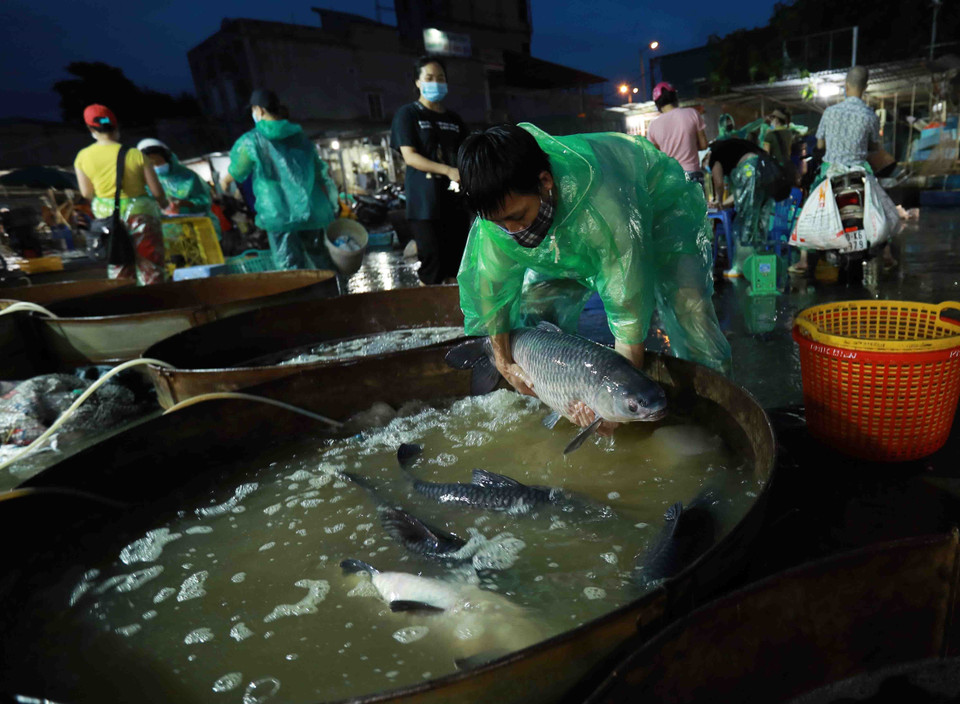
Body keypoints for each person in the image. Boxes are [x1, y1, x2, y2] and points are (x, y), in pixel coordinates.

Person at [456, 124, 731, 437]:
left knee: (690, 309)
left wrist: (613, 407)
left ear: (545, 182)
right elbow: (492, 295)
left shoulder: (607, 205)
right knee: (537, 308)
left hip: (656, 216)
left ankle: (717, 423)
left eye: (518, 216)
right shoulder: (498, 217)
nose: (512, 230)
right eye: (500, 223)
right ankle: (553, 403)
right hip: (569, 234)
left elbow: (627, 302)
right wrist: (505, 364)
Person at [791, 66, 897, 274]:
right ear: (865, 87)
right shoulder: (870, 115)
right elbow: (875, 147)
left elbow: (820, 146)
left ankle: (804, 258)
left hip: (831, 172)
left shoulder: (830, 113)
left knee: (809, 209)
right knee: (882, 208)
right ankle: (887, 254)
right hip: (860, 172)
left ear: (846, 86)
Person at [220, 89, 339, 270]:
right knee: (320, 260)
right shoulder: (299, 137)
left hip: (279, 213)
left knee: (289, 265)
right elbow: (318, 172)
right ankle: (332, 294)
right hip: (309, 211)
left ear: (259, 110)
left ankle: (302, 297)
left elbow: (238, 170)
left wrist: (225, 181)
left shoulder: (253, 140)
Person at [391, 56, 471, 285]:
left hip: (454, 203)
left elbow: (466, 152)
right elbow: (410, 156)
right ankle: (431, 311)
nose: (435, 82)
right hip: (425, 203)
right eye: (429, 78)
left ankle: (457, 312)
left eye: (440, 78)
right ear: (418, 82)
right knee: (432, 261)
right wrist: (447, 170)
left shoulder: (454, 119)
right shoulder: (408, 115)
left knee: (458, 262)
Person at [74, 104, 168, 285]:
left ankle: (127, 305)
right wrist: (163, 204)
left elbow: (86, 192)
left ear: (90, 128)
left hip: (107, 219)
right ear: (116, 126)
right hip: (141, 215)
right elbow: (157, 192)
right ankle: (157, 306)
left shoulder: (83, 157)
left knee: (119, 266)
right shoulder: (135, 154)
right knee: (151, 266)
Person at [707, 137, 775, 278]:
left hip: (750, 170)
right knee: (760, 221)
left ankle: (742, 266)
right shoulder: (737, 149)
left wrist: (719, 200)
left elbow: (718, 183)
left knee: (745, 220)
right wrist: (724, 204)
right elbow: (742, 193)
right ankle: (760, 266)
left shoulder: (715, 155)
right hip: (768, 170)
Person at [137, 138, 222, 239]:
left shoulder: (188, 177)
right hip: (165, 235)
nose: (156, 166)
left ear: (167, 158)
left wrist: (182, 203)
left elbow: (205, 202)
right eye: (151, 164)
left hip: (196, 231)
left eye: (158, 162)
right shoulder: (146, 183)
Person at [647, 82, 708, 185]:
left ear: (657, 103)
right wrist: (689, 145)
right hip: (693, 175)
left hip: (670, 178)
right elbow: (704, 144)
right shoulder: (692, 113)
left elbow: (655, 157)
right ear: (674, 97)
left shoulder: (653, 125)